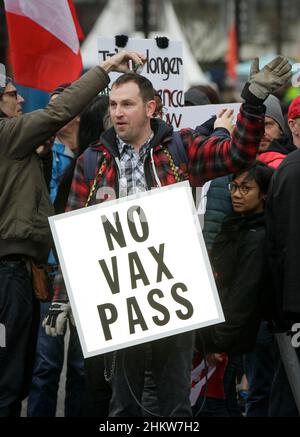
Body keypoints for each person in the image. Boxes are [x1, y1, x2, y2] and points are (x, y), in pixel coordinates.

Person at [43, 56, 292, 417]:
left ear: (150, 107)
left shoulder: (180, 148)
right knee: (122, 408)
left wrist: (251, 103)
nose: (117, 113)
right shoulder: (93, 162)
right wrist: (61, 298)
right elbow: (73, 233)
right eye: (113, 104)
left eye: (127, 104)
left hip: (171, 299)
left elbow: (238, 154)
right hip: (120, 302)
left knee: (176, 406)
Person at [0, 50, 146, 417]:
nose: (19, 99)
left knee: (19, 371)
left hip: (22, 272)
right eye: (10, 93)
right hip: (9, 274)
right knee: (10, 378)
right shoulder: (7, 134)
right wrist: (105, 69)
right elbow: (56, 113)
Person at [266, 95, 300, 416]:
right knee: (289, 389)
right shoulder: (293, 170)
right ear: (293, 125)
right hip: (295, 308)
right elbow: (287, 245)